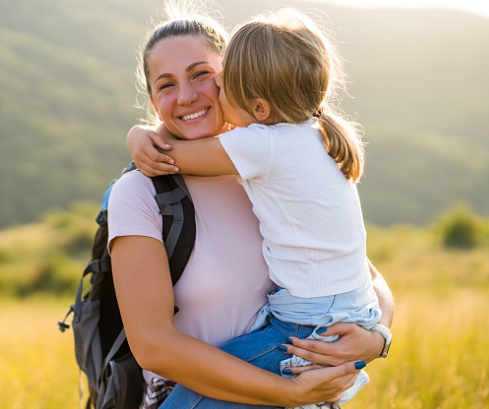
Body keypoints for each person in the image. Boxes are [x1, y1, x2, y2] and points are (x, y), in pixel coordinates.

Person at [109, 2, 394, 408]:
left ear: (237, 79)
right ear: (153, 101)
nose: (187, 95)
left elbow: (363, 275)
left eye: (202, 75)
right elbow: (154, 346)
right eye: (166, 85)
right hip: (237, 393)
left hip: (304, 386)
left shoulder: (266, 168)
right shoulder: (140, 193)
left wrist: (377, 337)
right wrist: (288, 392)